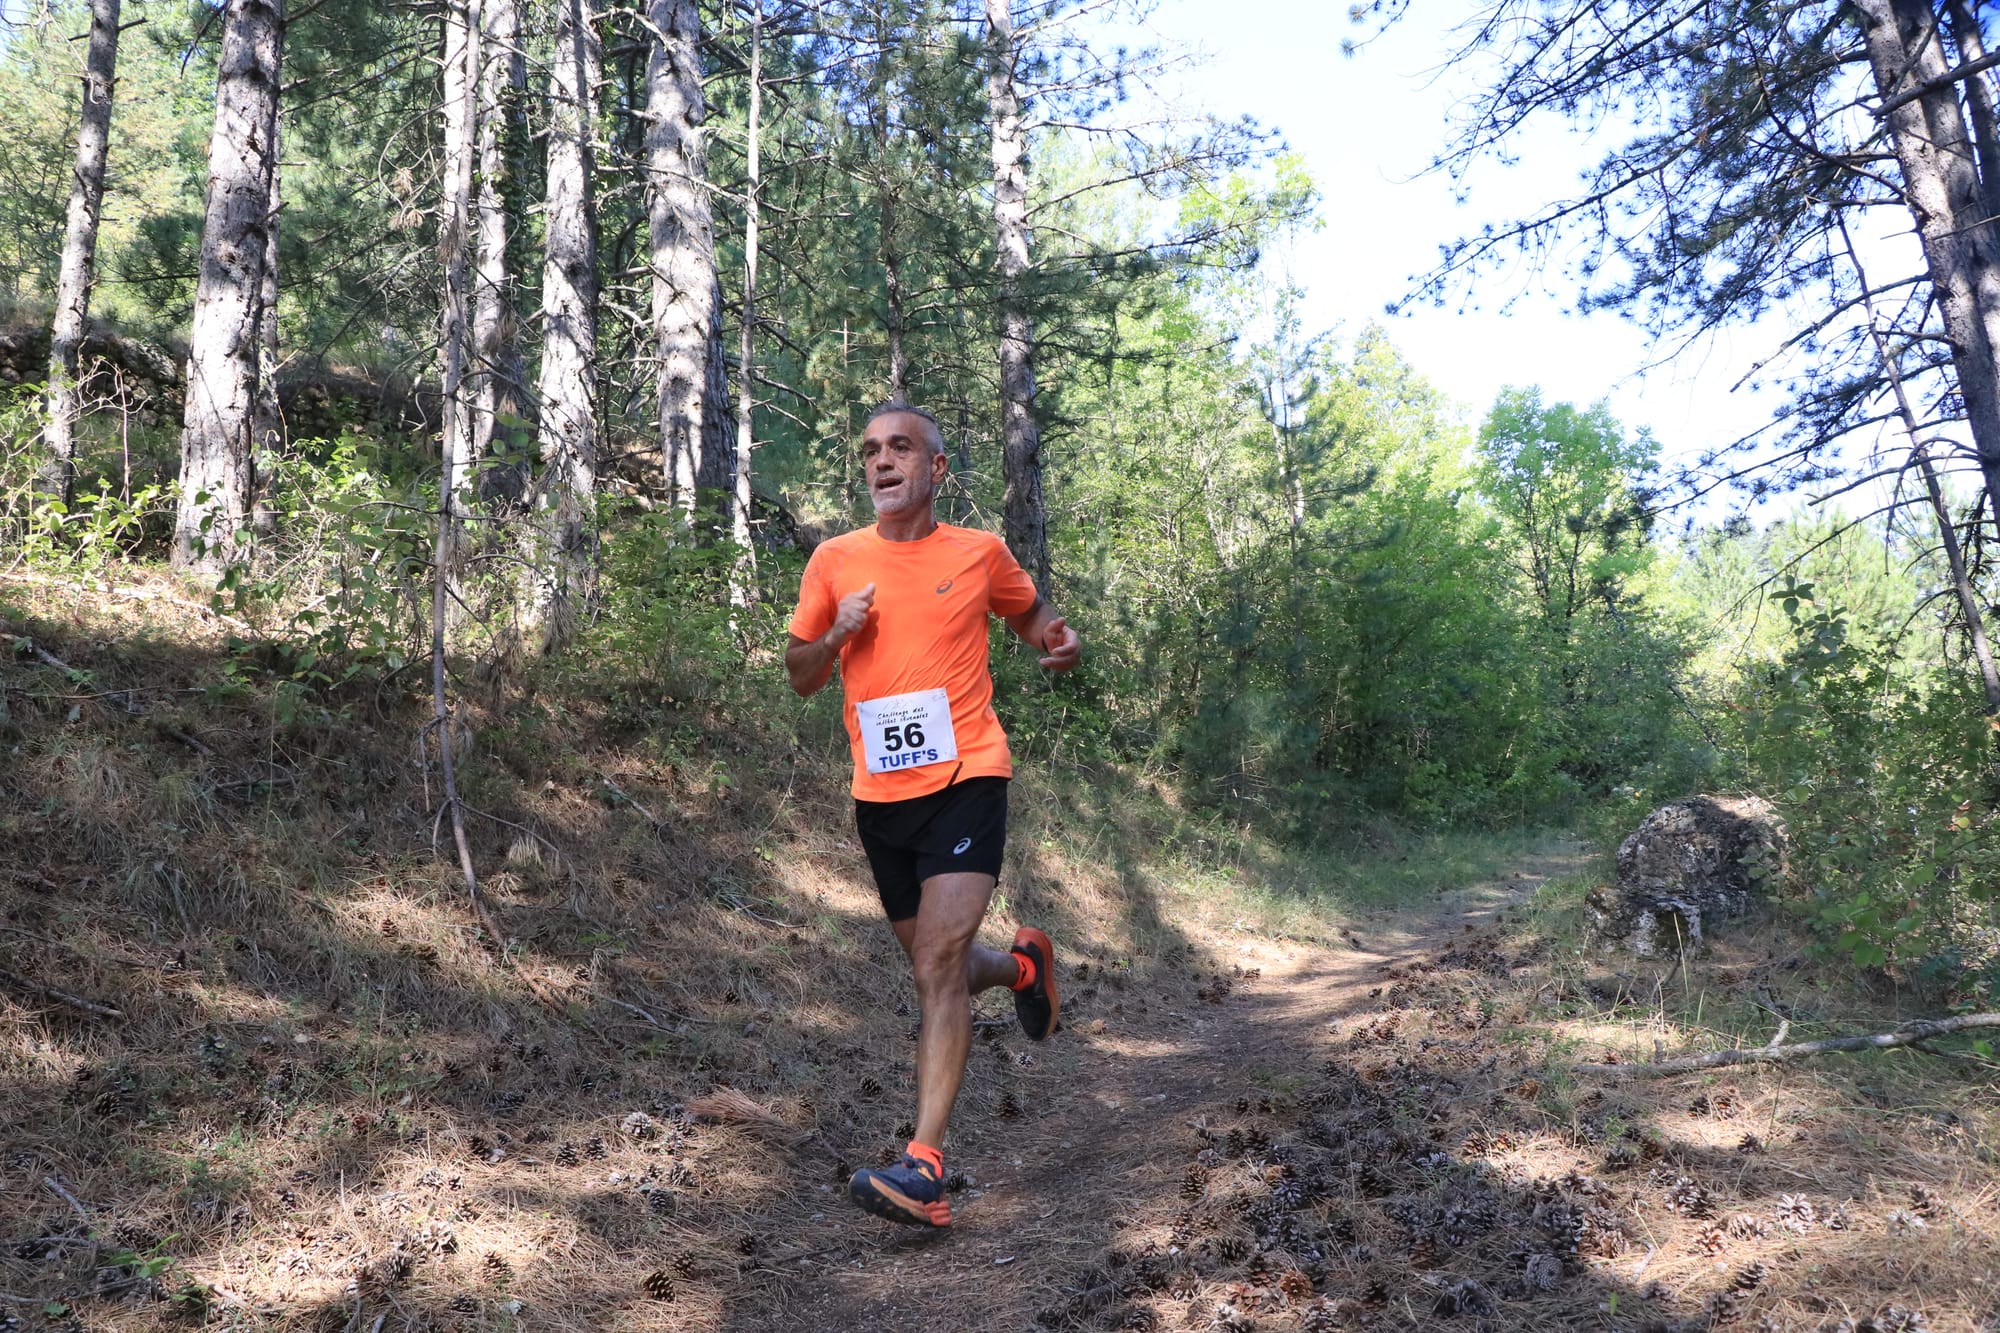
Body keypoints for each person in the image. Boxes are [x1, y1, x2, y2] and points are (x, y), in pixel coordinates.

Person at [785, 401, 1081, 1228]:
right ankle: (1025, 969)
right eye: (872, 449)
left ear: (936, 469)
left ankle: (924, 1166)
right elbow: (800, 674)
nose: (881, 461)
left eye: (901, 448)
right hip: (881, 803)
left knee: (936, 968)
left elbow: (1030, 616)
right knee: (939, 965)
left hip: (967, 778)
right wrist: (837, 633)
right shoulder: (835, 561)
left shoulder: (979, 553)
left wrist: (1057, 640)